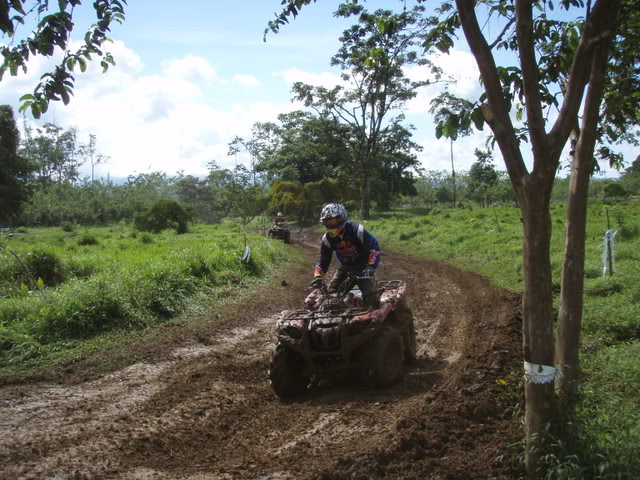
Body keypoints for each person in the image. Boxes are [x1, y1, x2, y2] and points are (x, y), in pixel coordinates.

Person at [310, 203, 381, 308]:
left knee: (372, 300)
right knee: (331, 296)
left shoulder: (357, 230)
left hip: (364, 269)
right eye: (326, 221)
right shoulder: (327, 239)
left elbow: (373, 248)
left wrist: (370, 267)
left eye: (332, 220)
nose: (329, 224)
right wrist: (318, 276)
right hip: (345, 268)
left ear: (340, 218)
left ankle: (382, 322)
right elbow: (324, 259)